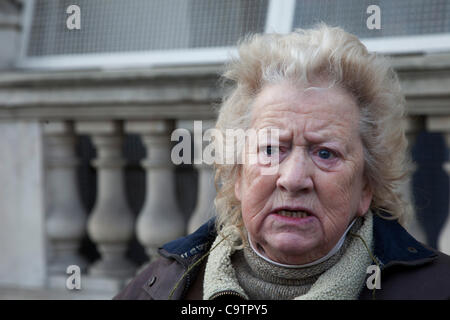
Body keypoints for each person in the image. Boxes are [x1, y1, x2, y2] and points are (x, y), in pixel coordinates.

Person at [114, 24, 450, 300]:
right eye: (272, 150)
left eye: (325, 153)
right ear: (238, 177)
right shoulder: (158, 287)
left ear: (365, 187)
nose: (293, 179)